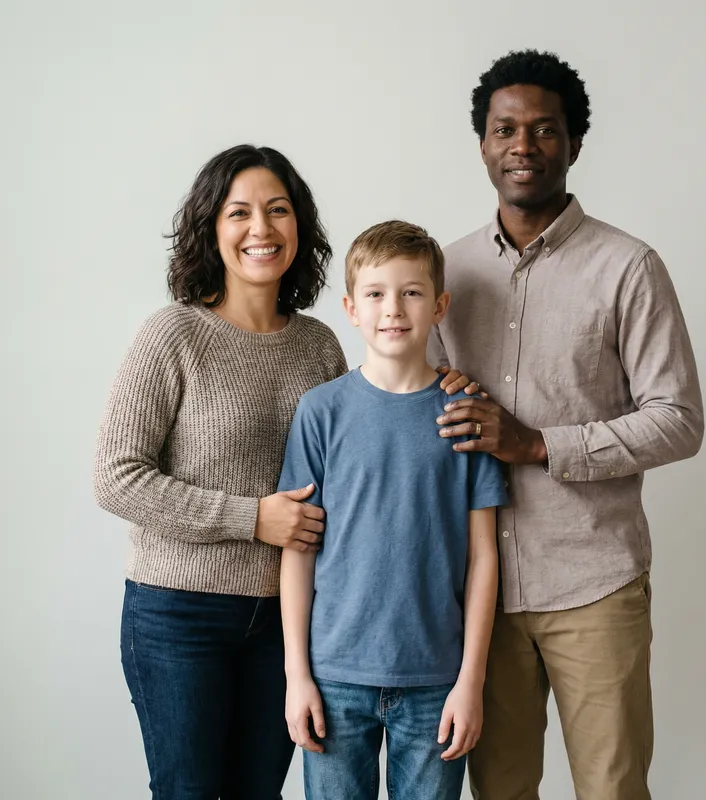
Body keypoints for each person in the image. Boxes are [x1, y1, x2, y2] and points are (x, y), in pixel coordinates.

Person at [92, 144, 476, 800]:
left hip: (284, 623)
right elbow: (115, 476)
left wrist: (443, 389)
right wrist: (252, 517)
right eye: (239, 212)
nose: (261, 229)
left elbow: (366, 447)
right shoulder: (171, 336)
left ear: (300, 226)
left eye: (278, 210)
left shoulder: (318, 345)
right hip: (179, 614)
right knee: (186, 791)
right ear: (212, 228)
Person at [430, 51, 704, 800]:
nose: (523, 145)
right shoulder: (443, 274)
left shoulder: (628, 267)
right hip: (479, 593)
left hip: (595, 582)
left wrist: (538, 444)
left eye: (544, 129)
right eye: (505, 129)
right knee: (500, 792)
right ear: (483, 144)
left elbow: (678, 419)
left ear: (574, 143)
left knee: (612, 790)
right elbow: (414, 417)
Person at [278, 221, 508, 800]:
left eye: (412, 292)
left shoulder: (466, 414)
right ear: (352, 308)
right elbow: (299, 550)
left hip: (436, 680)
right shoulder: (321, 411)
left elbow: (484, 558)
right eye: (377, 294)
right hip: (335, 678)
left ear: (439, 305)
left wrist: (470, 682)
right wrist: (297, 676)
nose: (394, 308)